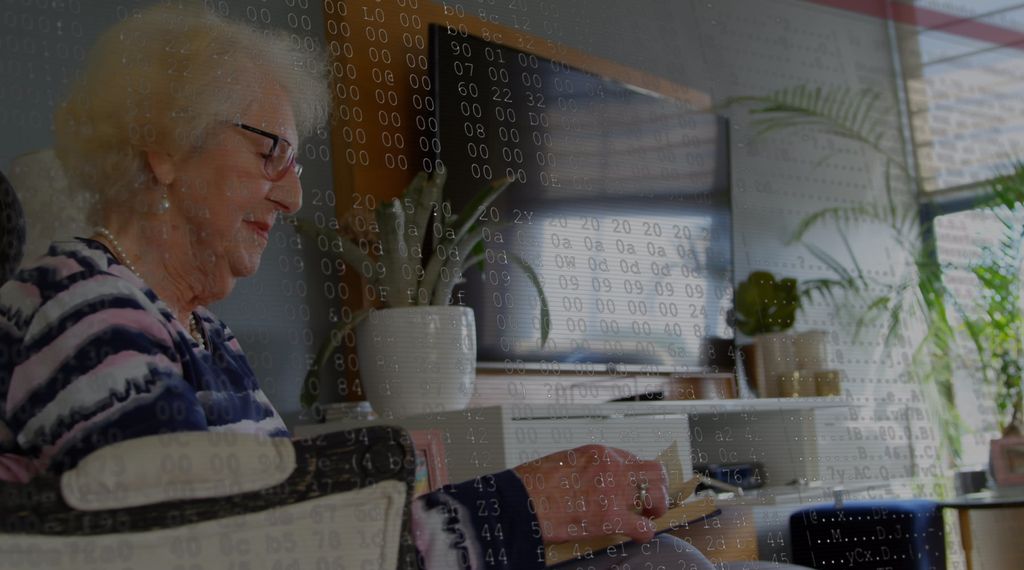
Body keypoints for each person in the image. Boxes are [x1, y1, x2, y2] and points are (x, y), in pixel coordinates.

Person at [0, 5, 715, 570]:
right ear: (163, 143)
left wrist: (476, 497)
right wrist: (523, 507)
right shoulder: (86, 312)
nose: (292, 197)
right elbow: (213, 548)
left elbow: (289, 525)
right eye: (269, 152)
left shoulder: (201, 333)